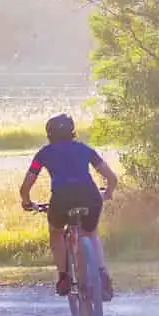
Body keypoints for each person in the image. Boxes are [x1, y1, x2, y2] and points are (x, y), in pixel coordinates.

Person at [18, 113, 117, 300]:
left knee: (56, 232)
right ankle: (102, 275)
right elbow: (111, 178)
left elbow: (26, 186)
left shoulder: (44, 154)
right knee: (90, 233)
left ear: (49, 134)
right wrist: (108, 192)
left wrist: (27, 202)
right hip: (90, 195)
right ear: (72, 132)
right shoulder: (84, 149)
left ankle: (64, 277)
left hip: (62, 198)